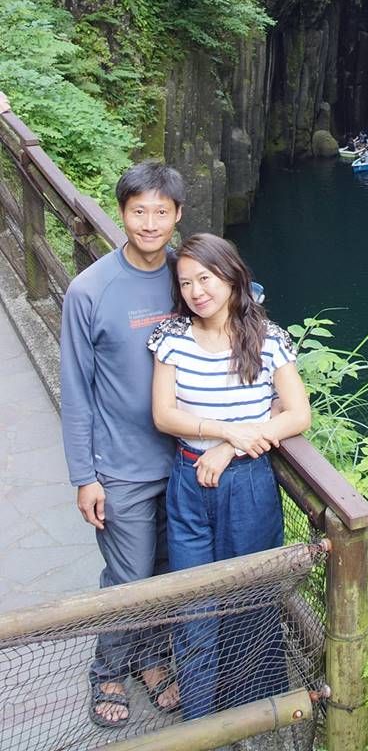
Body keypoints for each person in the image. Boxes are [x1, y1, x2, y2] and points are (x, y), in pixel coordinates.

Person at [149, 233, 311, 719]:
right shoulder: (172, 338)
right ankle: (200, 721)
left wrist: (230, 447)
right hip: (188, 479)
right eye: (186, 283)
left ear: (231, 276)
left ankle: (247, 716)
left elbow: (298, 414)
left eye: (206, 278)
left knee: (250, 600)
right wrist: (224, 432)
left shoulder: (266, 337)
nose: (197, 291)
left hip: (247, 484)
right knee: (194, 604)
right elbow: (163, 414)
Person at [60, 161, 186, 728]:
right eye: (139, 211)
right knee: (128, 576)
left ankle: (152, 661)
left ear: (178, 215)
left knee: (167, 571)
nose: (150, 223)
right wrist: (83, 476)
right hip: (121, 467)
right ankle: (107, 670)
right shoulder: (90, 290)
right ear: (122, 213)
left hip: (183, 460)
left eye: (161, 211)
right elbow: (76, 389)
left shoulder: (188, 278)